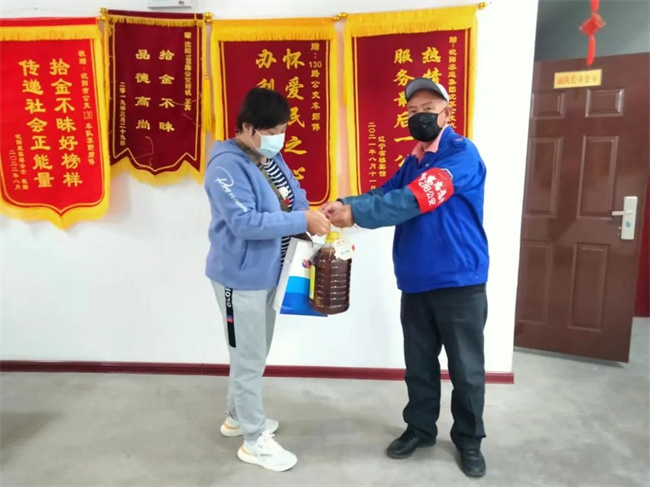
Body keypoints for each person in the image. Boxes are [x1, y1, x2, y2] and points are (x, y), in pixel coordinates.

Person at [323, 78, 489, 478]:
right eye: (413, 111)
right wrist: (346, 204)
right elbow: (387, 192)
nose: (420, 117)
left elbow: (415, 198)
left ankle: (469, 440)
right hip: (416, 280)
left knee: (466, 371)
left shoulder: (460, 154)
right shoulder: (413, 160)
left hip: (459, 280)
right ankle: (420, 429)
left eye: (428, 109)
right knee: (418, 364)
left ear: (447, 113)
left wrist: (357, 214)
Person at [204, 87, 330, 472]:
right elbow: (245, 222)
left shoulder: (268, 157)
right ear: (246, 127)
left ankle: (236, 416)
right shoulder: (225, 166)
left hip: (272, 272)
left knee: (254, 352)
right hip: (239, 278)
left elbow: (294, 197)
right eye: (271, 131)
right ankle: (254, 439)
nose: (279, 138)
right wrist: (301, 220)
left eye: (282, 129)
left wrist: (311, 218)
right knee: (247, 356)